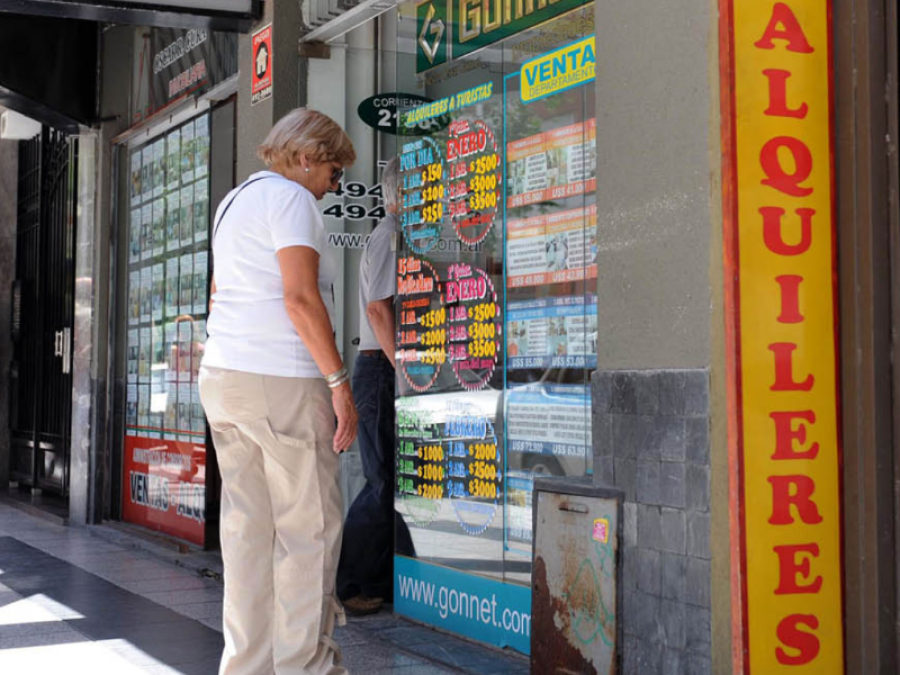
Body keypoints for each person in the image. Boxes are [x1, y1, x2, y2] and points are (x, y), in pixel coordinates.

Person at [198, 108, 358, 675]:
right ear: (307, 157)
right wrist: (339, 382)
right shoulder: (292, 200)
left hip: (225, 377)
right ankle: (305, 668)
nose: (333, 186)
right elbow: (300, 298)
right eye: (334, 172)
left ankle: (247, 667)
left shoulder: (233, 201)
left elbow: (219, 292)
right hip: (281, 378)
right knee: (308, 532)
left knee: (248, 536)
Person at [336, 157, 415, 615]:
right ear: (402, 193)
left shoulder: (397, 236)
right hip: (380, 368)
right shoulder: (390, 236)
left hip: (382, 366)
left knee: (392, 481)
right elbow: (378, 310)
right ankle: (351, 583)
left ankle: (385, 579)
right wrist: (402, 367)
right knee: (382, 480)